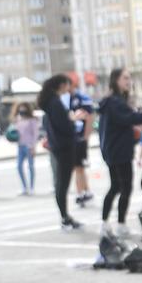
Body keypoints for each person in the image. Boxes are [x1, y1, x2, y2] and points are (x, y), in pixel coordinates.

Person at [96, 68, 142, 230]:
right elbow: (137, 118)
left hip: (113, 150)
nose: (129, 81)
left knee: (116, 186)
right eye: (125, 78)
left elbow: (122, 125)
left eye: (129, 78)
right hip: (119, 152)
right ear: (116, 80)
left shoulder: (111, 101)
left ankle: (107, 223)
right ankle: (119, 224)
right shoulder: (115, 103)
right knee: (124, 187)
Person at [37, 75, 83, 231]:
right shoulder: (55, 103)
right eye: (67, 85)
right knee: (62, 184)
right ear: (61, 85)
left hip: (58, 146)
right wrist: (72, 119)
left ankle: (65, 216)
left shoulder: (51, 103)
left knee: (61, 183)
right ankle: (65, 217)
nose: (68, 89)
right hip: (64, 147)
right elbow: (64, 126)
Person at [69, 88, 95, 206]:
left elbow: (89, 116)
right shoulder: (69, 99)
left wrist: (86, 136)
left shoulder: (80, 98)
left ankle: (81, 192)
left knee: (78, 167)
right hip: (76, 138)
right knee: (79, 167)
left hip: (79, 139)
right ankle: (86, 191)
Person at [10, 103, 39, 195]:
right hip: (20, 146)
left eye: (24, 109)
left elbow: (35, 134)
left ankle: (31, 187)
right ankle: (24, 187)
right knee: (19, 166)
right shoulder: (18, 120)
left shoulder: (32, 120)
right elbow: (14, 132)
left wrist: (33, 147)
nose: (22, 111)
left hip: (29, 146)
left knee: (30, 167)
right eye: (20, 109)